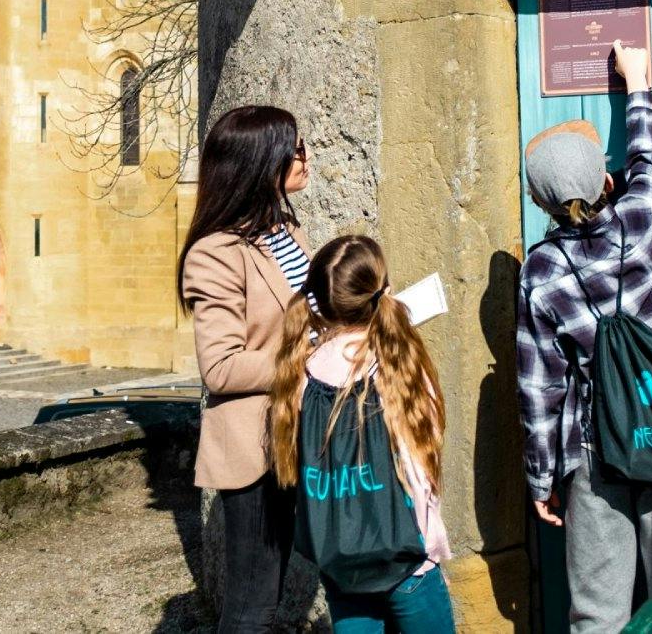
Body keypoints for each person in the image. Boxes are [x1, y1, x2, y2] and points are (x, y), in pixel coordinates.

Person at [517, 40, 652, 633]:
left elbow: (540, 388)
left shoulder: (541, 271)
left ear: (541, 203)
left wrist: (543, 477)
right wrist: (637, 84)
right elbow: (648, 155)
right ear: (607, 177)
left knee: (597, 614)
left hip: (597, 454)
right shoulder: (645, 219)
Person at [269, 235, 454, 633]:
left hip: (340, 564)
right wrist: (433, 548)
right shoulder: (398, 367)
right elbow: (420, 465)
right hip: (408, 563)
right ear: (380, 294)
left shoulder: (302, 372)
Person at [179, 105, 313, 633]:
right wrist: (306, 359)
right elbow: (220, 367)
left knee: (275, 592)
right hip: (253, 446)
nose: (305, 157)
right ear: (261, 162)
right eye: (294, 149)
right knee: (252, 604)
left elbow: (304, 314)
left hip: (295, 431)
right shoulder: (215, 253)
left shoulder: (283, 232)